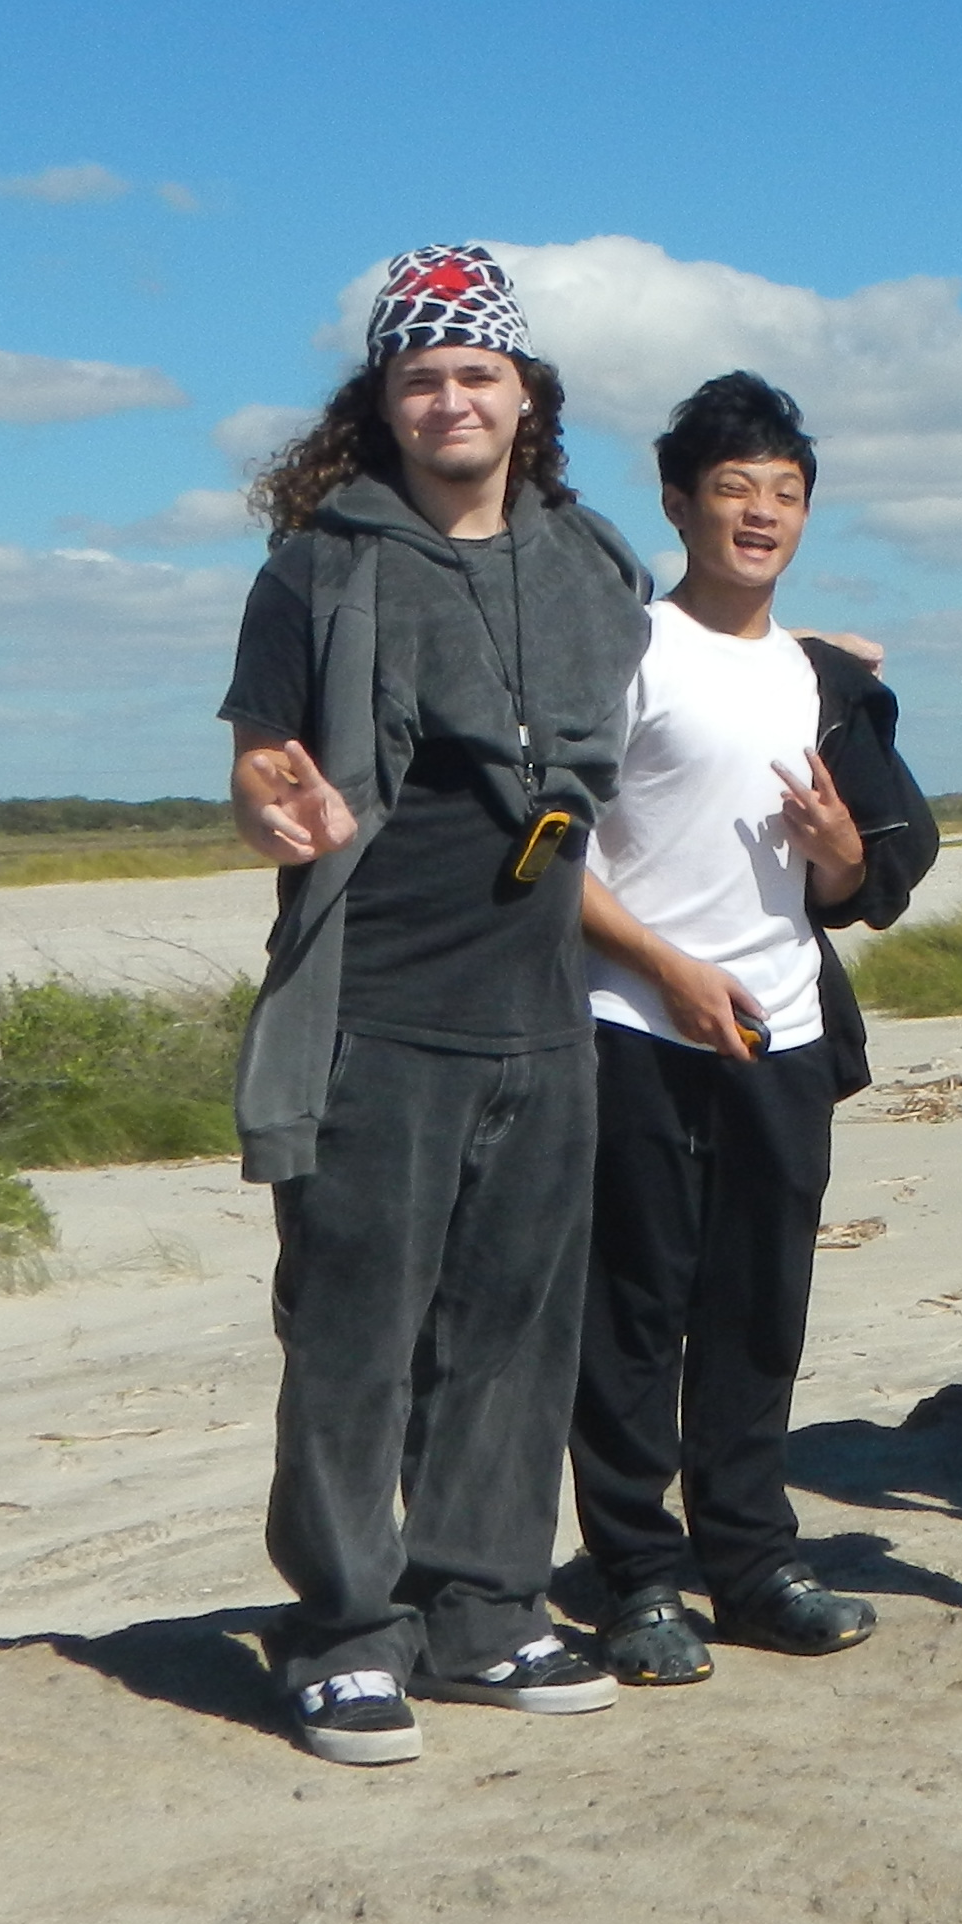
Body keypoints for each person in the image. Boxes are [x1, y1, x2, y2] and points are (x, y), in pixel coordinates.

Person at [221, 244, 650, 1766]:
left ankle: (482, 1608)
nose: (451, 398)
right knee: (354, 1330)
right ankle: (342, 1632)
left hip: (542, 1005)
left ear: (524, 395)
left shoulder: (596, 563)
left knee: (516, 1330)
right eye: (422, 375)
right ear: (382, 400)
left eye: (477, 372)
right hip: (378, 1003)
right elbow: (261, 755)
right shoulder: (321, 565)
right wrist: (270, 801)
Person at [563, 370, 937, 1684]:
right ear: (678, 503)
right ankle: (637, 1575)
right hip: (634, 1022)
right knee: (634, 1308)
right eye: (734, 490)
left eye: (783, 492)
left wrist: (839, 861)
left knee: (758, 1305)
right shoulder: (625, 651)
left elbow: (845, 889)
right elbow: (547, 851)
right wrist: (663, 967)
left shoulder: (813, 676)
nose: (759, 514)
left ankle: (752, 1556)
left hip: (777, 1027)